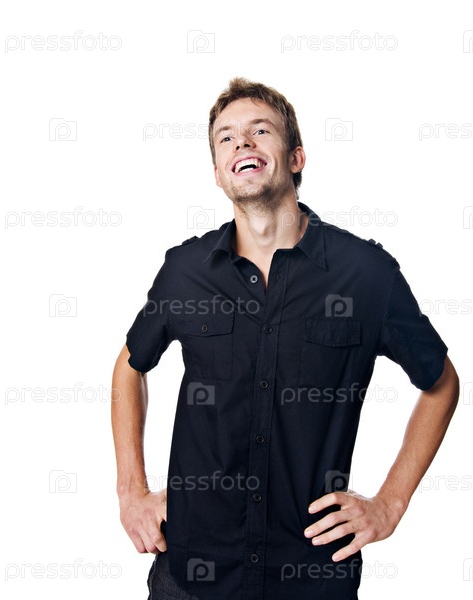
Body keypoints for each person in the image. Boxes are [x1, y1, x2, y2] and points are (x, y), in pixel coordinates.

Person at [111, 77, 459, 600]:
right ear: (217, 173)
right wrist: (130, 491)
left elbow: (441, 382)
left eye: (260, 130)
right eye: (226, 137)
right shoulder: (184, 272)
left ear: (296, 157)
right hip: (192, 574)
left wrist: (391, 503)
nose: (242, 142)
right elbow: (130, 366)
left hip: (313, 574)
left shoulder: (366, 275)